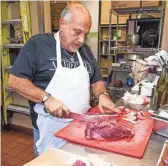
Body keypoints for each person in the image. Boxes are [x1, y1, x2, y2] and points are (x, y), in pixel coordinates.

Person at [8, 4, 119, 156]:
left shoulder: (84, 50)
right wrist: (46, 98)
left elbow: (96, 80)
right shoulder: (38, 44)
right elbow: (15, 81)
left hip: (81, 129)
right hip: (50, 130)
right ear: (62, 24)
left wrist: (102, 95)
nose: (81, 40)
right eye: (77, 32)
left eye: (85, 35)